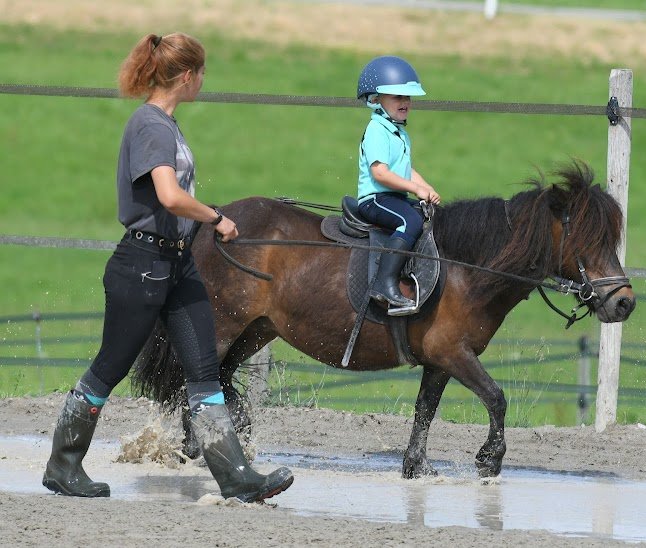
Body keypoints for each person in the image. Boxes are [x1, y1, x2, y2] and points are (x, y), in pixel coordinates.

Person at [42, 32, 293, 502]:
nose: (204, 81)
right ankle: (63, 464)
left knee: (203, 372)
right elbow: (169, 196)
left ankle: (236, 475)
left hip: (177, 265)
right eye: (202, 73)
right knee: (108, 368)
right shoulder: (151, 126)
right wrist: (216, 217)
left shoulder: (167, 125)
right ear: (187, 76)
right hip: (142, 265)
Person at [355, 56, 441, 312]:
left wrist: (428, 188)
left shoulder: (397, 132)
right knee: (410, 222)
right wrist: (415, 189)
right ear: (376, 100)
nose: (404, 103)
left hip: (394, 198)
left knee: (429, 217)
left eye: (408, 98)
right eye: (397, 97)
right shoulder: (377, 130)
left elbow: (406, 170)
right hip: (375, 200)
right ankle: (384, 283)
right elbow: (380, 173)